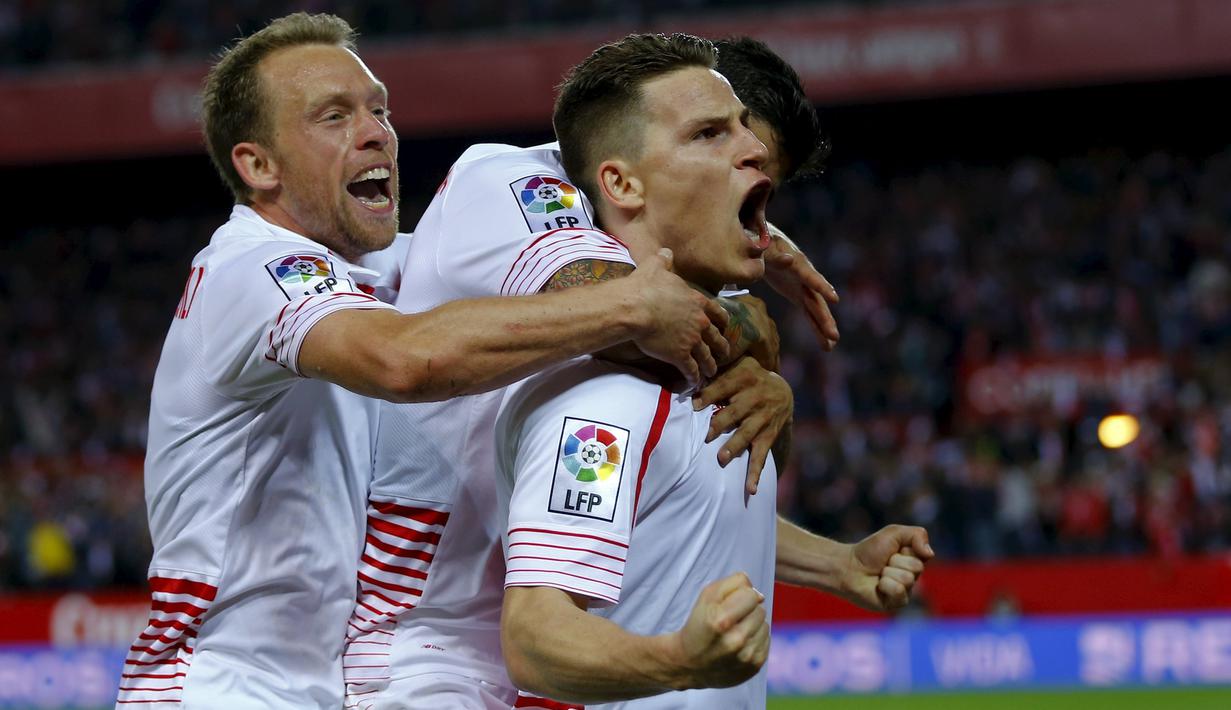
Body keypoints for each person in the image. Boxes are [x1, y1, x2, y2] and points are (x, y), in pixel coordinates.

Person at [115, 14, 734, 709]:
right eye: (333, 116)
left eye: (379, 108)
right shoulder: (252, 270)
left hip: (329, 688)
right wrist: (634, 308)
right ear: (258, 166)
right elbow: (404, 362)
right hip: (220, 685)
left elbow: (577, 175)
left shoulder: (384, 268)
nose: (376, 131)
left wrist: (750, 256)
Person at [496, 34, 931, 708]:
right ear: (621, 183)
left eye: (740, 128)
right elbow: (532, 636)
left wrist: (837, 564)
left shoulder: (699, 378)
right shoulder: (603, 403)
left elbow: (683, 518)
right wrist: (678, 661)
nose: (752, 149)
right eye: (708, 133)